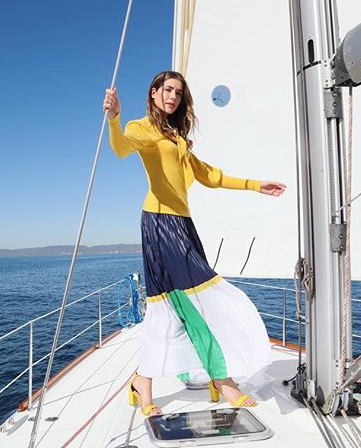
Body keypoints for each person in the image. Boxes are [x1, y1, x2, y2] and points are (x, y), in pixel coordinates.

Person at [103, 71, 286, 416]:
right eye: (167, 90)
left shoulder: (178, 139)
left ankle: (143, 379)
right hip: (159, 223)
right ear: (154, 92)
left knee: (172, 307)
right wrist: (114, 119)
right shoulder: (140, 128)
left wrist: (254, 185)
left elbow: (210, 176)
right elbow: (120, 150)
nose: (172, 96)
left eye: (178, 92)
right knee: (204, 297)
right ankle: (223, 380)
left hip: (182, 224)